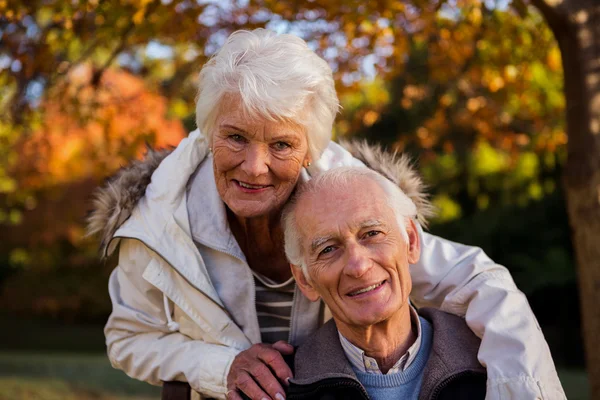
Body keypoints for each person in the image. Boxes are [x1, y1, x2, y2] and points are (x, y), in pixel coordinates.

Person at [87, 29, 565, 400]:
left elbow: (482, 283)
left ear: (310, 150)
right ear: (209, 131)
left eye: (281, 144)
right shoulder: (158, 224)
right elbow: (128, 339)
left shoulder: (351, 201)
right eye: (235, 138)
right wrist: (221, 365)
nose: (254, 167)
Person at [281, 166, 490, 400]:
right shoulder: (276, 389)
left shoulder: (494, 363)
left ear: (411, 241)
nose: (358, 266)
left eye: (372, 234)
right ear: (304, 279)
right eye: (328, 249)